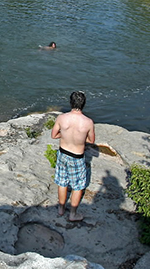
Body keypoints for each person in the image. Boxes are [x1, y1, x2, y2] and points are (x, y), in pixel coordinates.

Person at [51, 91, 95, 221]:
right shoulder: (88, 122)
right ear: (83, 104)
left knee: (62, 182)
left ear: (71, 102)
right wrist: (80, 140)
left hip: (62, 153)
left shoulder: (61, 118)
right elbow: (91, 140)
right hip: (77, 156)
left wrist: (64, 135)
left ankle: (61, 209)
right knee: (78, 186)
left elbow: (53, 135)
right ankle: (73, 214)